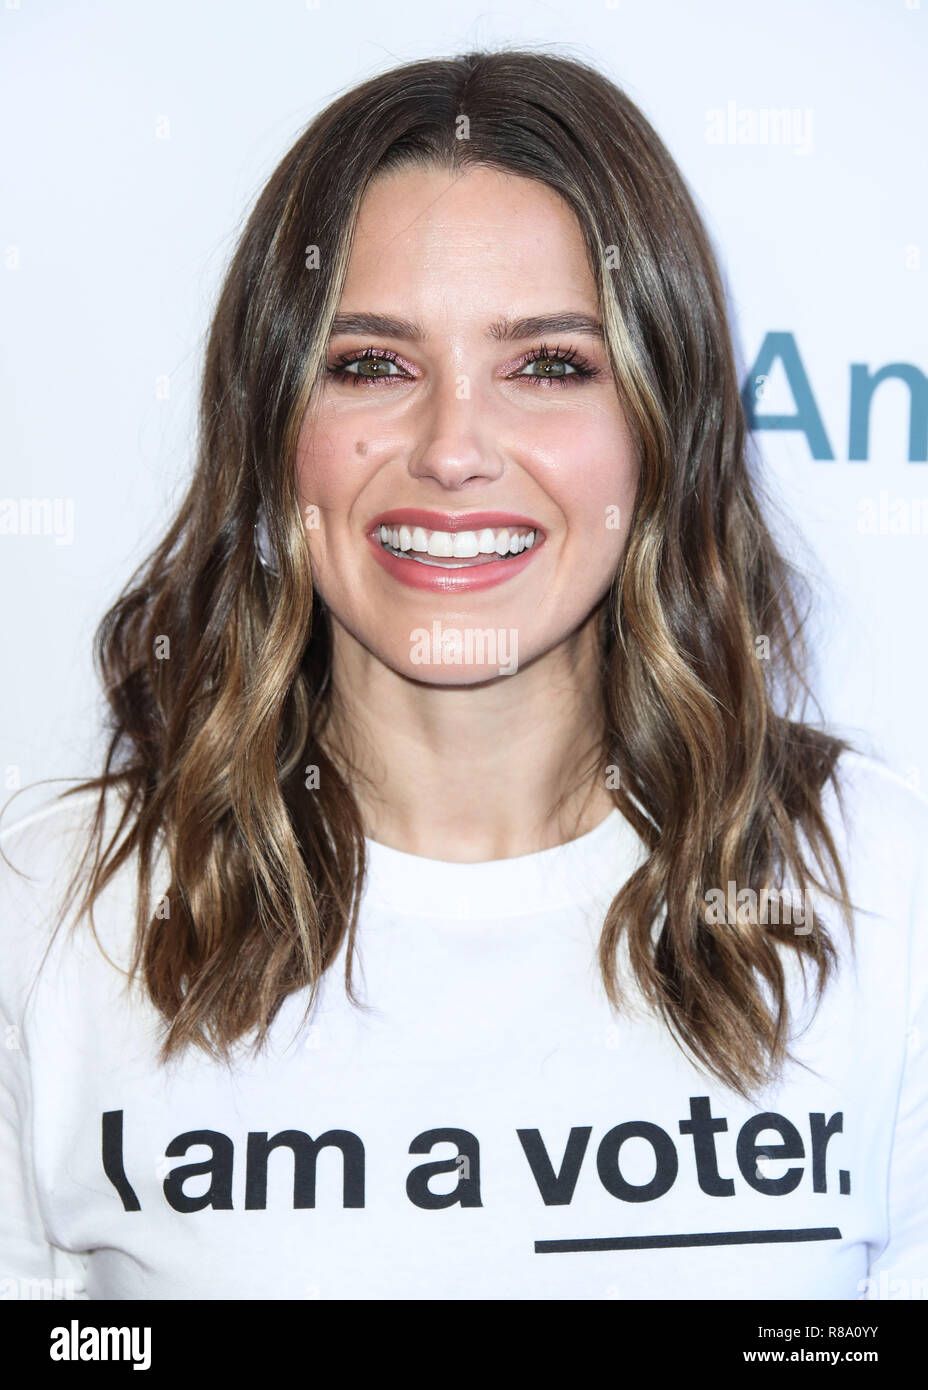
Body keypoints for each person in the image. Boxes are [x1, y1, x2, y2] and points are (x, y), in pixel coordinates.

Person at [1, 49, 925, 1302]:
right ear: (273, 427)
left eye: (549, 365)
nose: (451, 449)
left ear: (665, 426)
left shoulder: (877, 887)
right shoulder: (54, 915)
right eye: (369, 364)